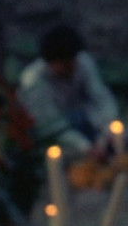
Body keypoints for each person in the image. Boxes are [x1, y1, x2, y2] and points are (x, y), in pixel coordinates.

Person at [17, 25, 119, 157]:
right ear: (51, 62)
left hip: (87, 124)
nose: (72, 67)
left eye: (73, 61)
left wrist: (105, 134)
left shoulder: (82, 63)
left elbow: (101, 99)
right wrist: (85, 147)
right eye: (65, 63)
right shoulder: (34, 80)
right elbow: (49, 125)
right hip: (53, 137)